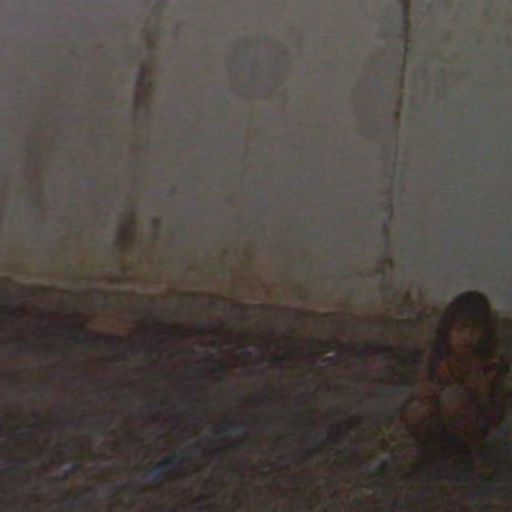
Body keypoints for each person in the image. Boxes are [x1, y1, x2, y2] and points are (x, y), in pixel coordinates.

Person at [399, 290, 509, 478]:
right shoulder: (435, 357)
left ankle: (477, 454)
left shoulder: (490, 364)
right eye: (460, 329)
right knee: (417, 409)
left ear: (484, 332)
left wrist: (482, 392)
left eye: (475, 329)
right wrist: (427, 393)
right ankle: (425, 449)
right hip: (439, 429)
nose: (468, 336)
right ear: (448, 330)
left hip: (473, 429)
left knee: (452, 398)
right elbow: (412, 398)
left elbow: (496, 417)